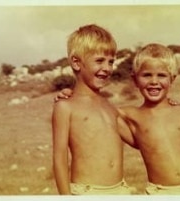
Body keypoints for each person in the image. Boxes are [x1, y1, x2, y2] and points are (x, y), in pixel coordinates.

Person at [56, 43, 180, 195]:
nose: (154, 81)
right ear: (135, 80)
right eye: (147, 75)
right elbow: (94, 108)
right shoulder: (127, 114)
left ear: (172, 78)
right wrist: (70, 93)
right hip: (158, 193)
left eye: (161, 75)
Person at [52, 24, 134, 195]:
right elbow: (59, 158)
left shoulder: (110, 107)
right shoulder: (66, 106)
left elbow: (138, 142)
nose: (107, 68)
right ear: (76, 63)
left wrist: (158, 105)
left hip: (120, 190)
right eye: (99, 61)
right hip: (88, 192)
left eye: (111, 62)